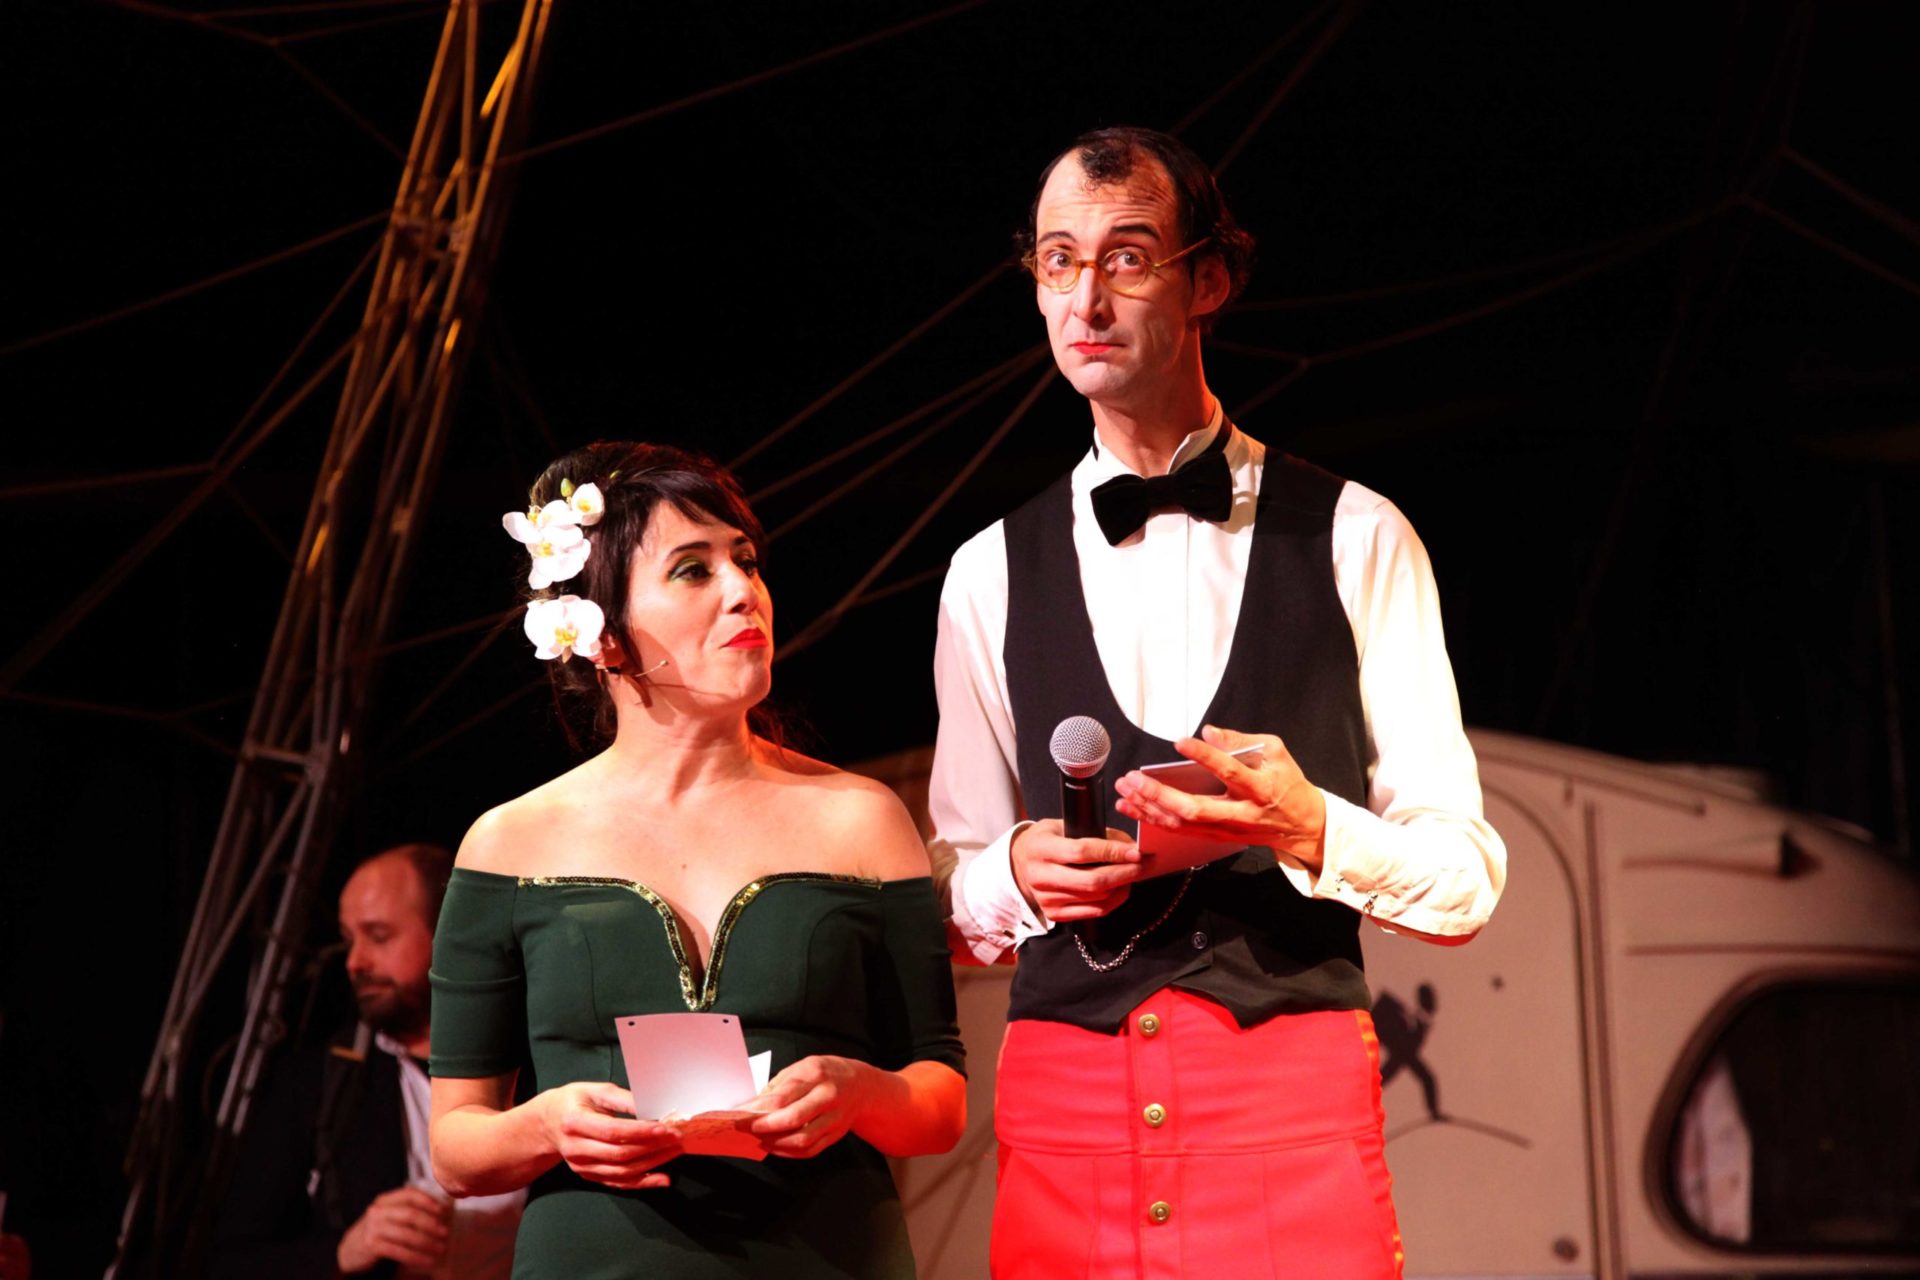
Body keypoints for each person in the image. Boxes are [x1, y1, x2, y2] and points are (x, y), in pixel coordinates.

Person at [930, 126, 1508, 1278]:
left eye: (1127, 257)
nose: (1086, 299)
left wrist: (1309, 824)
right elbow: (949, 889)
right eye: (1058, 261)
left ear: (1210, 280)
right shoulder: (986, 571)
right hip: (1068, 1125)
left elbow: (1467, 877)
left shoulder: (1357, 536)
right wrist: (1013, 873)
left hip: (1287, 1111)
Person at [428, 442, 966, 1278]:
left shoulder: (862, 818)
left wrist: (861, 1092)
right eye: (692, 570)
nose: (743, 590)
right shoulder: (510, 842)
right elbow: (456, 1144)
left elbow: (939, 1099)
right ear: (602, 635)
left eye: (745, 561)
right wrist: (546, 1124)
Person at [210, 843, 524, 1279]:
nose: (354, 962)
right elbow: (229, 1261)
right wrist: (343, 1252)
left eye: (378, 936)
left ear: (450, 934)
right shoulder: (319, 1083)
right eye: (348, 940)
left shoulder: (538, 1063)